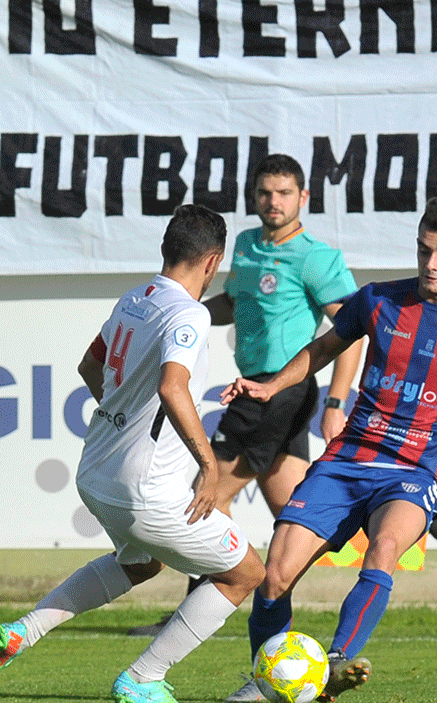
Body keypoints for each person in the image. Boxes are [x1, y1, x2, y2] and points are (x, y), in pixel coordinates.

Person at [222, 197, 437, 703]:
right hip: (347, 460)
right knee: (274, 575)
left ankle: (337, 664)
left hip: (414, 471)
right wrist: (271, 386)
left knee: (383, 550)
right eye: (425, 251)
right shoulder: (378, 301)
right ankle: (265, 677)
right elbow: (322, 351)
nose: (433, 264)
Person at [0, 204, 265, 703]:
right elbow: (174, 388)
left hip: (97, 470)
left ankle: (25, 630)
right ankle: (144, 676)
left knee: (142, 563)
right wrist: (208, 465)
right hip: (143, 488)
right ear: (212, 262)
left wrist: (122, 416)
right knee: (246, 574)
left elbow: (90, 365)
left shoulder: (136, 298)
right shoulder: (189, 312)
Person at [130, 153, 367, 636]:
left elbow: (351, 331)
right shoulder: (244, 245)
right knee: (297, 519)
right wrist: (179, 305)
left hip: (276, 393)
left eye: (284, 193)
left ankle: (190, 615)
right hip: (262, 392)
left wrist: (337, 403)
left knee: (207, 490)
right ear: (253, 197)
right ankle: (381, 522)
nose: (273, 201)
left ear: (303, 198)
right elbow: (232, 303)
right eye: (265, 193)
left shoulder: (315, 257)